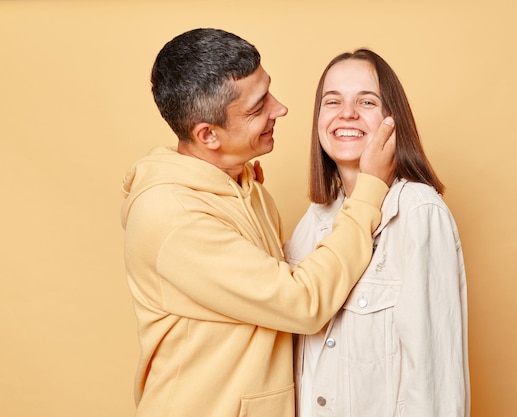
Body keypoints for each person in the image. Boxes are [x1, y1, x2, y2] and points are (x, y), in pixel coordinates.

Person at [120, 29, 396, 417]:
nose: (280, 109)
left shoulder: (245, 185)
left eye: (269, 90)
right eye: (258, 107)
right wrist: (368, 192)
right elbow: (301, 303)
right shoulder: (173, 217)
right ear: (208, 135)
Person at [284, 49, 470, 417]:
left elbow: (435, 379)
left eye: (366, 101)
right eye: (332, 101)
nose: (346, 113)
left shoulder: (418, 210)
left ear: (392, 118)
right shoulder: (314, 219)